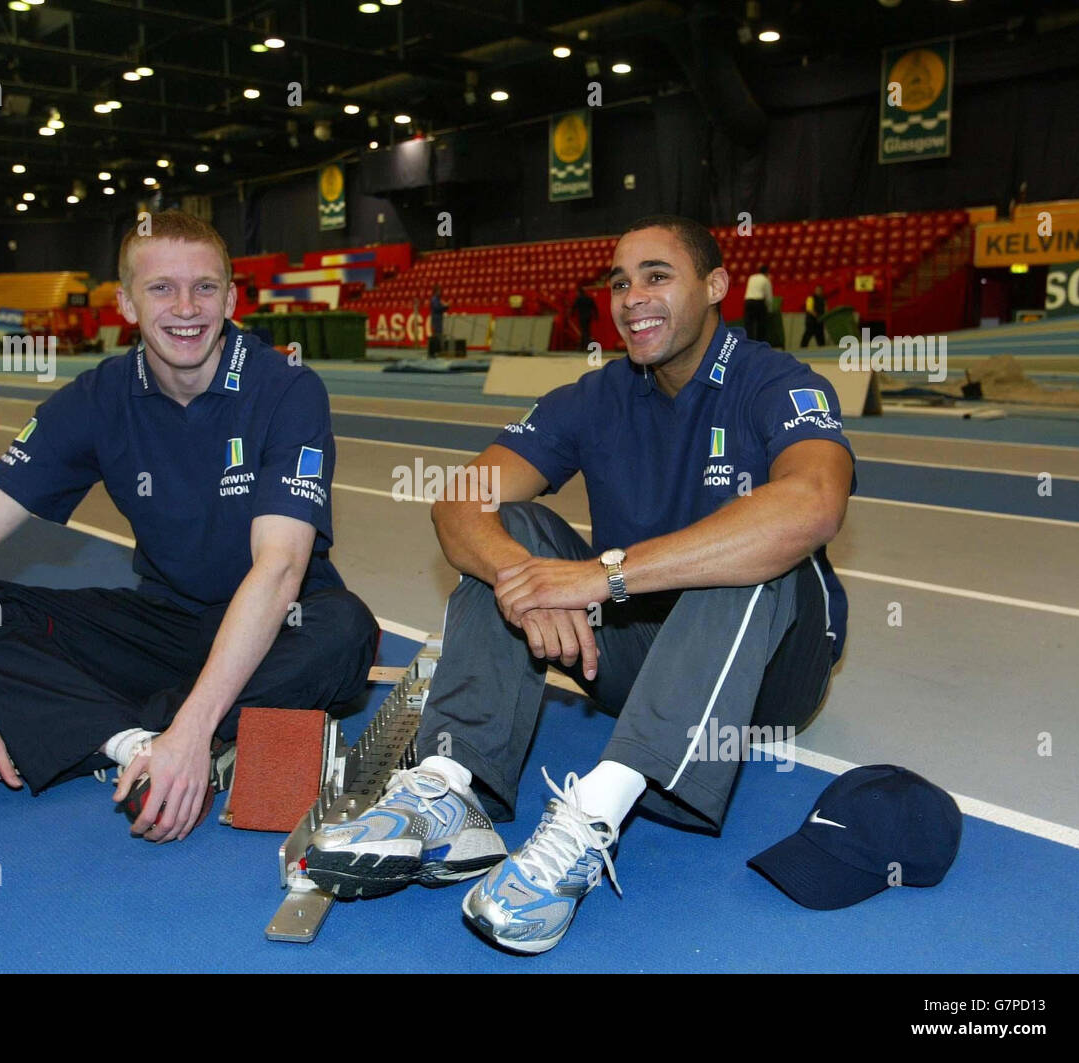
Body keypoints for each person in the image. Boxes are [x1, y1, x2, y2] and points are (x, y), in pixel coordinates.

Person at [305, 214, 855, 953]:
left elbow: (815, 504)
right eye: (619, 282)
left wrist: (600, 576)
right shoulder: (595, 397)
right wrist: (522, 580)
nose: (632, 297)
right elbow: (459, 499)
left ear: (717, 285)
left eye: (657, 275)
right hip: (632, 659)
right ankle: (447, 787)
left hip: (767, 674)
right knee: (514, 537)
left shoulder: (775, 382)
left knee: (756, 541)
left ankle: (596, 813)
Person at [0, 209, 379, 843]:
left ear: (232, 297)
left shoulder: (286, 389)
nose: (186, 307)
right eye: (161, 288)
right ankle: (136, 742)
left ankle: (129, 730)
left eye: (205, 287)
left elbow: (281, 566)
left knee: (347, 629)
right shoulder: (96, 400)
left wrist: (191, 729)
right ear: (126, 302)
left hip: (282, 626)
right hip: (164, 629)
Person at [743, 263, 772, 342]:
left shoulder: (751, 277)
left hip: (748, 301)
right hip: (759, 302)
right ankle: (760, 343)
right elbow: (768, 296)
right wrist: (769, 309)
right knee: (761, 325)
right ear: (767, 272)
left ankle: (749, 343)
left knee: (749, 325)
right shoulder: (765, 280)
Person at [572, 286, 598, 350]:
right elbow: (594, 307)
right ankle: (587, 345)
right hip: (589, 316)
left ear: (579, 292)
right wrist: (596, 315)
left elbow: (574, 307)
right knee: (587, 331)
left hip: (582, 317)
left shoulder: (578, 299)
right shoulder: (589, 298)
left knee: (584, 331)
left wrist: (571, 313)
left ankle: (584, 346)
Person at [428, 285, 448, 356]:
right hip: (436, 319)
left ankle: (438, 350)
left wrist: (446, 307)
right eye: (439, 291)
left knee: (439, 334)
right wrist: (444, 306)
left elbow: (441, 309)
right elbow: (437, 308)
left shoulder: (438, 299)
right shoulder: (434, 299)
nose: (440, 292)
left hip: (439, 318)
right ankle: (435, 351)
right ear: (436, 292)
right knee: (437, 334)